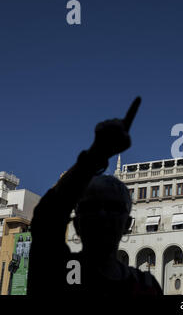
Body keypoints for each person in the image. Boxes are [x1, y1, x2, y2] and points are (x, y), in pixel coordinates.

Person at [27, 97, 163, 296]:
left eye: (113, 207)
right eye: (91, 207)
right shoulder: (61, 272)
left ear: (128, 224)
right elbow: (48, 216)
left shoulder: (146, 286)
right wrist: (96, 154)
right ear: (77, 224)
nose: (102, 214)